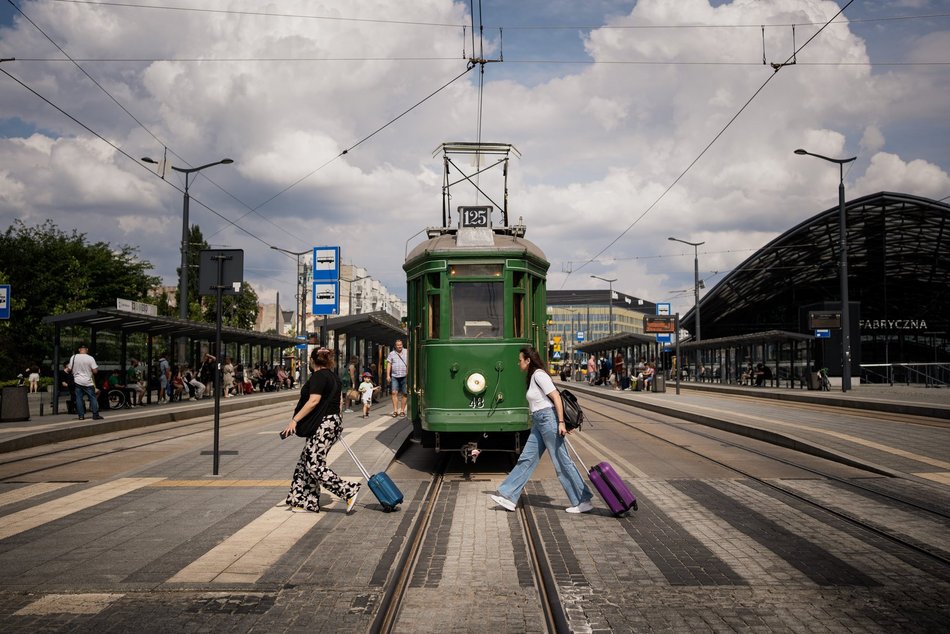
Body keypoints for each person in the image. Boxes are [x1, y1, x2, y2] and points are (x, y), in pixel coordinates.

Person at [489, 346, 594, 514]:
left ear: (528, 360)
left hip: (548, 420)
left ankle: (583, 500)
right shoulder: (533, 377)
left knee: (561, 461)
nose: (518, 363)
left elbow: (556, 397)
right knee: (527, 459)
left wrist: (560, 422)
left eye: (520, 360)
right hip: (539, 422)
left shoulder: (539, 375)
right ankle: (508, 496)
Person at [281, 347, 361, 514]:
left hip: (323, 424)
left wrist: (294, 421)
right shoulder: (334, 377)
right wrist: (336, 425)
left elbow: (313, 401)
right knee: (305, 461)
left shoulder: (318, 376)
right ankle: (304, 501)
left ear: (312, 361)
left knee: (314, 465)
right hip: (332, 422)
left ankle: (348, 491)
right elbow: (339, 403)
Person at [67, 343, 103, 420]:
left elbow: (69, 368)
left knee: (79, 398)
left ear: (79, 350)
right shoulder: (90, 358)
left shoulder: (73, 357)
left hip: (77, 381)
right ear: (87, 350)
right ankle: (95, 415)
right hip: (88, 382)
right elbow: (95, 371)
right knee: (92, 398)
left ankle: (81, 416)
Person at [386, 338, 409, 417]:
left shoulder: (407, 352)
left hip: (405, 376)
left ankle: (402, 410)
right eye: (398, 345)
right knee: (393, 392)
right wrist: (388, 375)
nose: (399, 346)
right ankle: (395, 410)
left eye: (401, 345)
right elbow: (389, 364)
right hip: (394, 376)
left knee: (405, 393)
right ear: (395, 346)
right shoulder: (391, 354)